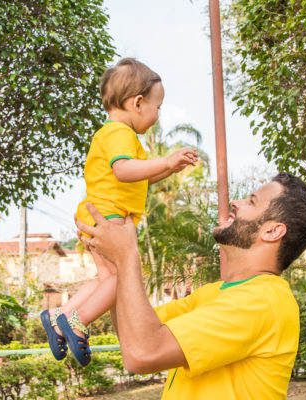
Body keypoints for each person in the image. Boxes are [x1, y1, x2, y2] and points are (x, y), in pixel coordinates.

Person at [75, 172, 306, 399]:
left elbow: (143, 354)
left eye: (251, 201)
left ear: (272, 231)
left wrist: (127, 256)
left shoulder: (263, 301)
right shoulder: (214, 294)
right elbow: (134, 337)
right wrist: (113, 271)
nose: (236, 203)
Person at [41, 58, 198, 366]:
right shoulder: (120, 134)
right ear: (138, 103)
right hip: (109, 216)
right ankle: (76, 322)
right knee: (121, 278)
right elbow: (125, 171)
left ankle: (58, 318)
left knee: (106, 279)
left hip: (96, 213)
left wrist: (166, 170)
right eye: (158, 107)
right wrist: (166, 161)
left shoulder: (115, 134)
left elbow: (137, 176)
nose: (157, 114)